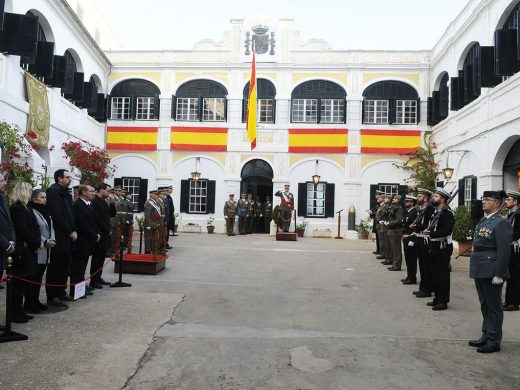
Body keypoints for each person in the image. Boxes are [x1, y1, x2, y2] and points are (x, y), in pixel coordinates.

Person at [469, 190, 512, 353]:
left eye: (487, 199)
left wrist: (499, 274)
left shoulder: (501, 223)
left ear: (497, 203)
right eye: (483, 199)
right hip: (480, 267)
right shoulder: (484, 220)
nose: (483, 202)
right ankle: (486, 334)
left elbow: (504, 251)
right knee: (485, 304)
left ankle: (494, 340)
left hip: (491, 268)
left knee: (494, 306)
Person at [9, 182, 41, 322]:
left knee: (23, 284)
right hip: (22, 249)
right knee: (17, 284)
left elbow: (34, 226)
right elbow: (23, 229)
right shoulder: (16, 208)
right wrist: (35, 241)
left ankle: (20, 310)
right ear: (22, 191)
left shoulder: (26, 207)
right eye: (29, 191)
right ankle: (14, 312)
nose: (30, 193)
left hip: (30, 248)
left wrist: (37, 241)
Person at [46, 169, 77, 306]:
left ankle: (61, 292)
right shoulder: (53, 192)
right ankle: (52, 295)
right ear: (59, 178)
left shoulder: (65, 192)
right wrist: (70, 231)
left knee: (65, 266)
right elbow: (57, 215)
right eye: (67, 177)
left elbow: (70, 212)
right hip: (60, 234)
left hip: (68, 234)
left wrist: (73, 229)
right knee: (56, 266)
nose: (70, 179)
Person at [424, 188, 454, 311]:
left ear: (442, 199)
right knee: (435, 273)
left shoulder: (447, 213)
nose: (433, 198)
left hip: (443, 246)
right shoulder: (436, 212)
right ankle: (437, 298)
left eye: (436, 196)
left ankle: (443, 301)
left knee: (442, 274)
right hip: (434, 245)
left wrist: (432, 233)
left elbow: (447, 230)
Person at [27, 189, 56, 313]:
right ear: (34, 199)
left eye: (45, 197)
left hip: (47, 248)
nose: (44, 200)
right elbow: (34, 230)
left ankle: (36, 300)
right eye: (42, 197)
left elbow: (51, 227)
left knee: (39, 279)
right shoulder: (32, 211)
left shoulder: (46, 211)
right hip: (38, 248)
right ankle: (29, 303)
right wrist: (44, 241)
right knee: (33, 279)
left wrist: (52, 239)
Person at [70, 185, 100, 299]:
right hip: (82, 241)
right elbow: (82, 224)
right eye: (91, 191)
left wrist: (97, 233)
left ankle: (81, 288)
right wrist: (94, 235)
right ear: (83, 192)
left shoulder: (89, 205)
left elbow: (93, 222)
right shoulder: (78, 205)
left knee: (82, 267)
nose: (93, 193)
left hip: (88, 240)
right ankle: (76, 291)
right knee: (78, 267)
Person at [90, 183, 116, 288]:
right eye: (107, 190)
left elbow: (112, 214)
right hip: (100, 232)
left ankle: (98, 277)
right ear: (101, 190)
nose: (109, 193)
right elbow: (97, 219)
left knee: (101, 257)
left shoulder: (105, 201)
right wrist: (106, 229)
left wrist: (112, 203)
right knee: (97, 258)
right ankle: (93, 280)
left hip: (105, 232)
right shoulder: (95, 201)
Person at [411, 188, 435, 299]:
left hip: (425, 239)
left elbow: (427, 225)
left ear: (425, 198)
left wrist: (417, 227)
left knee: (426, 265)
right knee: (421, 264)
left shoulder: (430, 209)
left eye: (420, 196)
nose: (417, 198)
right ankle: (423, 287)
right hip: (419, 238)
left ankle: (427, 289)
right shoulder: (422, 208)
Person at [503, 190, 520, 311]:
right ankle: (508, 300)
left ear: (515, 202)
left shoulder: (518, 216)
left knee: (515, 276)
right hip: (510, 248)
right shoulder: (510, 215)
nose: (506, 201)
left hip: (516, 249)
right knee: (509, 275)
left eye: (508, 199)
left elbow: (516, 233)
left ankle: (514, 303)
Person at [0, 172, 16, 291]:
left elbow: (10, 223)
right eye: (1, 181)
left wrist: (12, 242)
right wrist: (6, 245)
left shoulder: (2, 198)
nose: (5, 183)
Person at [401, 195, 419, 284]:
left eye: (407, 201)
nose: (405, 203)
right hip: (406, 238)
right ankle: (409, 276)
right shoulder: (408, 212)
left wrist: (413, 239)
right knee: (408, 259)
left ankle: (412, 277)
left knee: (412, 259)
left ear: (412, 203)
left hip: (411, 238)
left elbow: (415, 228)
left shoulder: (415, 213)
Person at [387, 194, 405, 271]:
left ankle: (397, 265)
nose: (393, 199)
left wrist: (389, 223)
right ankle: (395, 264)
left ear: (398, 200)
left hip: (396, 231)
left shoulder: (399, 209)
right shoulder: (393, 207)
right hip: (391, 230)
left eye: (395, 198)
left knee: (396, 249)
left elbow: (399, 220)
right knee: (393, 249)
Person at [378, 195, 392, 265]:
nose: (385, 199)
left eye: (386, 198)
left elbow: (385, 213)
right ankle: (386, 257)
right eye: (385, 198)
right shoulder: (385, 206)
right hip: (383, 225)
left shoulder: (388, 206)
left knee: (387, 243)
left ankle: (388, 257)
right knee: (384, 242)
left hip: (387, 227)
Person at [370, 190, 385, 254]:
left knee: (381, 238)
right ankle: (378, 249)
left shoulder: (382, 204)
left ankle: (381, 251)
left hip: (380, 223)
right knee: (378, 237)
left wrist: (374, 213)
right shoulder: (377, 203)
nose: (376, 196)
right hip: (376, 222)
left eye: (378, 195)